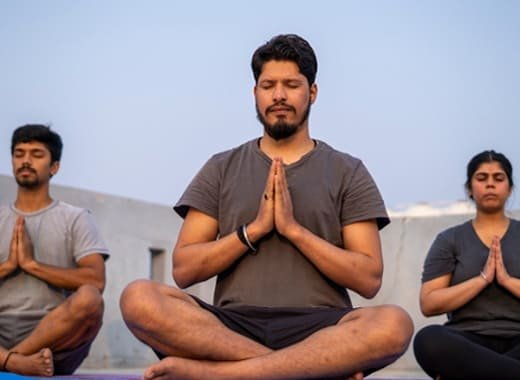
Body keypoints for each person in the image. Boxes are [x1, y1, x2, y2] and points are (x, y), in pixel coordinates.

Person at [120, 34, 413, 380]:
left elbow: (368, 279)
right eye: (268, 85)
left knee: (394, 324)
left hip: (320, 328)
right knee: (139, 298)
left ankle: (219, 375)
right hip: (230, 328)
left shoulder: (348, 171)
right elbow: (184, 270)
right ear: (255, 93)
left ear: (312, 93)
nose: (278, 95)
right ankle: (302, 371)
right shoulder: (221, 166)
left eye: (291, 84)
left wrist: (294, 231)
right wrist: (253, 230)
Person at [0, 124, 109, 377]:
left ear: (54, 167)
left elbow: (96, 280)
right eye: (19, 154)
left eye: (37, 154)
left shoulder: (76, 218)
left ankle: (11, 361)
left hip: (54, 342)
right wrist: (8, 266)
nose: (26, 161)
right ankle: (16, 363)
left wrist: (32, 265)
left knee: (90, 300)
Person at [414, 150, 520, 380]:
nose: (490, 184)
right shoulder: (449, 239)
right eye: (481, 178)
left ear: (510, 188)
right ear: (470, 188)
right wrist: (481, 280)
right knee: (428, 339)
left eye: (498, 178)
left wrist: (507, 281)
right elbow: (429, 303)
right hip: (466, 340)